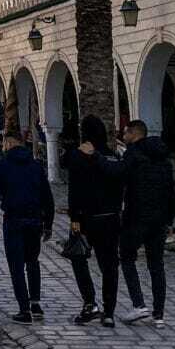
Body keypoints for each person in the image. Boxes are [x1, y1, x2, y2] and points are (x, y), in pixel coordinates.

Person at [83, 119, 175, 327]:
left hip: (137, 216)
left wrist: (95, 155)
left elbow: (116, 172)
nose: (123, 137)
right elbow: (170, 190)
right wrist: (169, 219)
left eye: (125, 133)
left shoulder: (134, 153)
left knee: (126, 257)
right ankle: (159, 315)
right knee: (156, 265)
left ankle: (139, 304)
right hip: (160, 219)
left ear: (134, 133)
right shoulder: (163, 157)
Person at [0, 131, 54, 324]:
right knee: (32, 262)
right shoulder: (36, 166)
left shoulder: (2, 166)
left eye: (3, 143)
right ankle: (35, 304)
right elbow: (47, 197)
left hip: (14, 220)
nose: (2, 147)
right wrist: (48, 224)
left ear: (8, 143)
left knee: (16, 266)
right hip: (34, 221)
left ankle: (24, 310)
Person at [66, 115, 125, 327]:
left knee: (78, 257)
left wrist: (74, 217)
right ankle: (109, 312)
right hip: (110, 218)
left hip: (86, 218)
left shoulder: (79, 156)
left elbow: (75, 189)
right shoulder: (112, 156)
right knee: (109, 266)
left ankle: (90, 302)